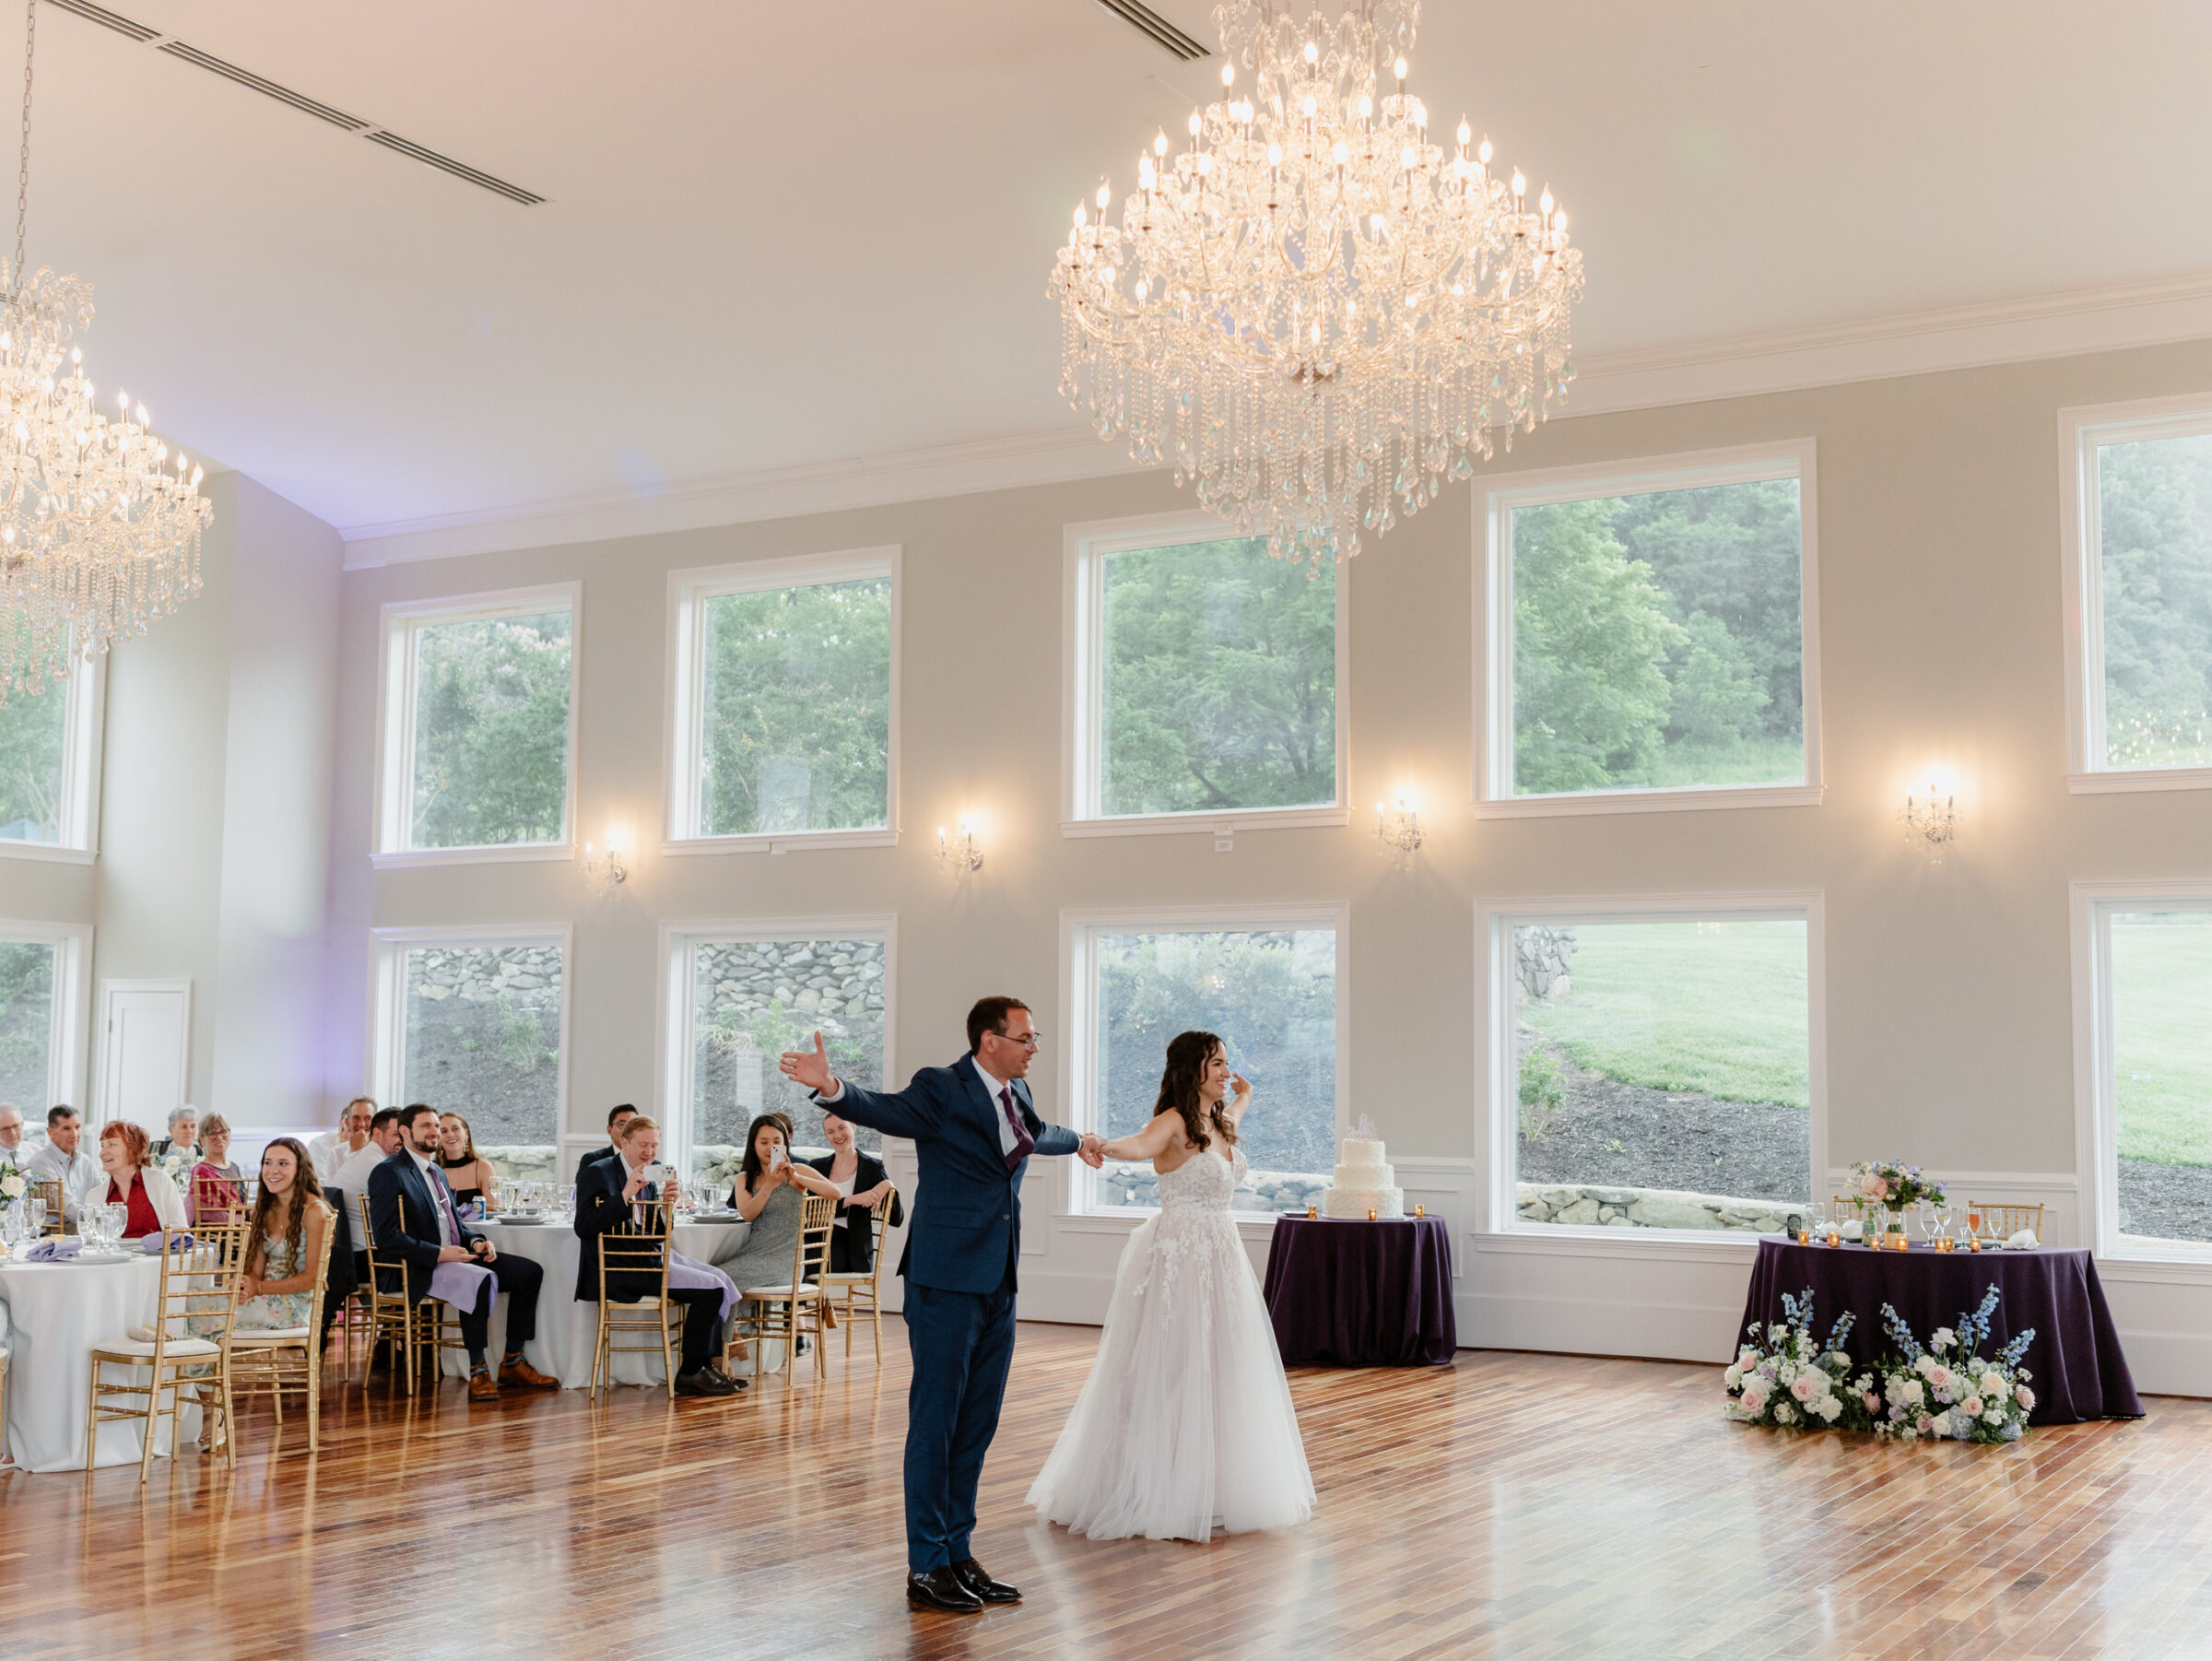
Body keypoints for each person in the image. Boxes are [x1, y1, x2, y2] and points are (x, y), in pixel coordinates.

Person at [779, 996, 1105, 1615]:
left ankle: (958, 1552)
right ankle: (926, 1564)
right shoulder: (943, 1089)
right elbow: (885, 1109)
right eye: (1026, 1037)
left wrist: (1082, 1140)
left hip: (997, 1281)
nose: (1035, 1046)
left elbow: (1035, 1136)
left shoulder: (1017, 1096)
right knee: (937, 1425)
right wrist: (832, 1088)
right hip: (944, 1281)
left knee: (977, 1426)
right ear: (989, 1041)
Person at [1027, 1030, 1313, 1542]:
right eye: (1219, 1063)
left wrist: (1245, 1096)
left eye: (1228, 1062)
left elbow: (1235, 1120)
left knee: (1224, 1364)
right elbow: (1138, 1146)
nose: (1227, 1071)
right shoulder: (1174, 1121)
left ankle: (1215, 1485)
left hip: (1222, 1255)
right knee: (1176, 1363)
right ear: (1192, 1069)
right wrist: (1099, 1145)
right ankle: (1158, 1484)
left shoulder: (1218, 1121)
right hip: (1182, 1257)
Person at [365, 1103, 561, 1402]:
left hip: (456, 1256)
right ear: (405, 1132)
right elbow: (387, 1237)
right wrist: (439, 1254)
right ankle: (478, 1369)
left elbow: (455, 1225)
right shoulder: (389, 1172)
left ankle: (512, 1360)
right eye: (427, 1126)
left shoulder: (437, 1172)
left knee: (528, 1272)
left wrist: (477, 1243)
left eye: (436, 1126)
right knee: (478, 1279)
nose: (435, 1132)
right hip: (419, 1265)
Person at [572, 1113, 740, 1397]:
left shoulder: (650, 1174)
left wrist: (665, 1207)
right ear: (624, 1142)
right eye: (643, 1145)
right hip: (619, 1268)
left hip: (650, 1258)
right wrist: (624, 1195)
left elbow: (655, 1231)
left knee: (720, 1278)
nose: (650, 1152)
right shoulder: (597, 1172)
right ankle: (690, 1372)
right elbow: (583, 1226)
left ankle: (705, 1366)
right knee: (710, 1291)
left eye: (654, 1146)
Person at [190, 1138, 332, 1336]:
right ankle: (207, 1366)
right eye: (267, 1162)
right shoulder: (263, 1210)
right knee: (190, 1301)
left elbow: (313, 1278)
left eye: (283, 1163)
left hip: (293, 1307)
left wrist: (259, 1287)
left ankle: (199, 1366)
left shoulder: (314, 1211)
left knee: (196, 1312)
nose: (273, 1170)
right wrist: (246, 1287)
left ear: (300, 1169)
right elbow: (256, 1272)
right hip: (262, 1295)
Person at [715, 1110, 843, 1293]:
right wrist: (770, 1185)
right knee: (714, 1274)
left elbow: (835, 1193)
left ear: (785, 1144)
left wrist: (797, 1177)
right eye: (764, 1142)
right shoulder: (744, 1179)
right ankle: (738, 1322)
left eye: (776, 1142)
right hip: (754, 1253)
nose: (770, 1148)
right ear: (753, 1145)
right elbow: (748, 1214)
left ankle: (735, 1322)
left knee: (721, 1276)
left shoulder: (798, 1170)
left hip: (787, 1260)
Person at [806, 1110, 905, 1276]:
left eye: (841, 1128)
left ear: (853, 1126)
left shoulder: (872, 1168)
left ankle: (803, 1301)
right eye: (830, 1132)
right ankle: (804, 1301)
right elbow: (811, 1214)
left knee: (799, 1267)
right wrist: (850, 1200)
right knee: (793, 1260)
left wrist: (889, 1185)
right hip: (818, 1243)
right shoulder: (817, 1167)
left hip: (853, 1249)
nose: (837, 1135)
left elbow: (897, 1219)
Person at [96, 1121, 188, 1240]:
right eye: (102, 1146)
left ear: (134, 1148)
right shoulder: (94, 1196)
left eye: (112, 1144)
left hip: (157, 1257)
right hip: (114, 1258)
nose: (102, 1153)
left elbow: (180, 1232)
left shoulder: (160, 1181)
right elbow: (92, 1243)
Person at [24, 1106, 101, 1221]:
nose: (74, 1134)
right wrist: (100, 1219)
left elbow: (101, 1196)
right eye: (66, 1128)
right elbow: (67, 1206)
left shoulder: (86, 1161)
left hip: (84, 1227)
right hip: (55, 1233)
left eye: (77, 1127)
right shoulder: (40, 1163)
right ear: (50, 1132)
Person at [186, 1113, 247, 1222]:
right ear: (201, 1140)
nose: (219, 1137)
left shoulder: (234, 1167)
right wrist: (239, 1222)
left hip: (240, 1229)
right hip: (215, 1234)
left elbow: (243, 1202)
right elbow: (207, 1213)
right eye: (212, 1133)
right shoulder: (201, 1171)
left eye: (223, 1131)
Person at [435, 1112, 500, 1215]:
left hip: (479, 1230)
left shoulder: (483, 1167)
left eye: (455, 1129)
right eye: (443, 1131)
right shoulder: (432, 1170)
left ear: (467, 1134)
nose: (450, 1134)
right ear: (438, 1138)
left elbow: (494, 1210)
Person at [332, 1108, 405, 1196]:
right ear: (377, 1134)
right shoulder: (378, 1166)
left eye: (406, 1135)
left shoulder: (366, 1155)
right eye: (397, 1135)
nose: (404, 1141)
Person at [308, 1098, 376, 1185]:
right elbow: (328, 1188)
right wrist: (355, 1151)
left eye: (368, 1118)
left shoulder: (381, 1149)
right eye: (356, 1118)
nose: (362, 1124)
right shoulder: (332, 1150)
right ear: (347, 1122)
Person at [576, 1104, 638, 1175]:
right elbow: (582, 1186)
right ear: (609, 1130)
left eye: (633, 1125)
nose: (628, 1130)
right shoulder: (593, 1159)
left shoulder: (644, 1159)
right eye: (622, 1124)